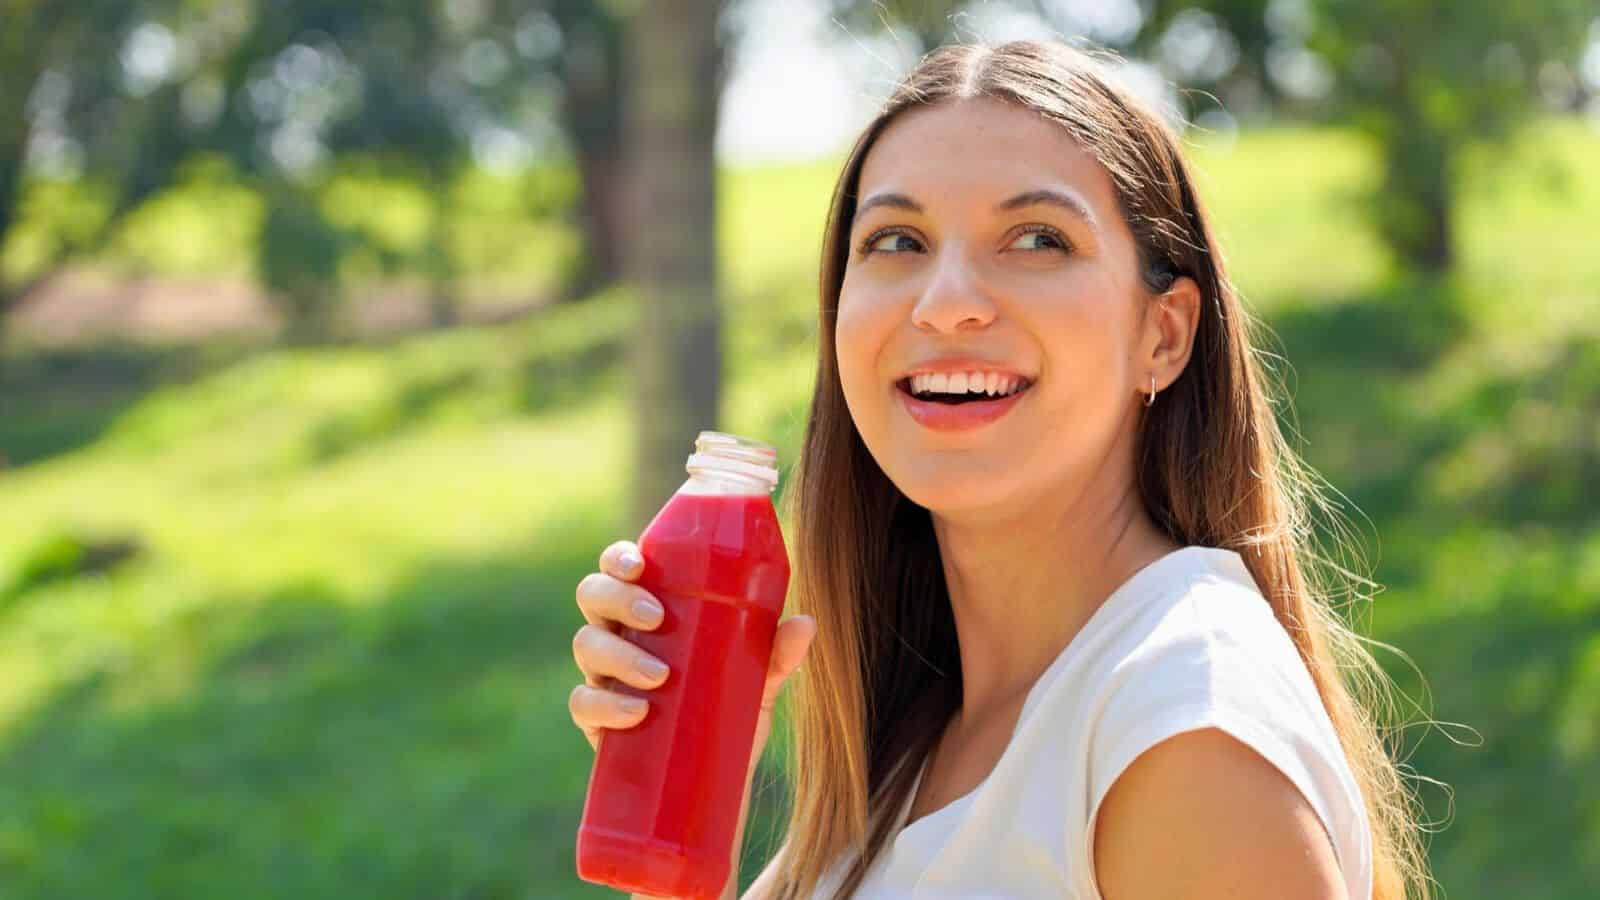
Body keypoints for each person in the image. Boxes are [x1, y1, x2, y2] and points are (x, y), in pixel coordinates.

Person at [570, 39, 1432, 900]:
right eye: (898, 239)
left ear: (1163, 336)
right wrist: (693, 782)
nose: (946, 302)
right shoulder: (913, 756)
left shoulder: (1184, 723)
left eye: (1036, 239)